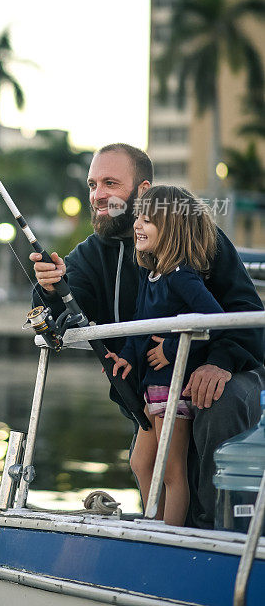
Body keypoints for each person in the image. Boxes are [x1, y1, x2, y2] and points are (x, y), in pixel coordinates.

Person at [30, 143, 265, 528]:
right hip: (153, 392)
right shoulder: (90, 255)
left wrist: (220, 363)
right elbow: (60, 307)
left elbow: (245, 312)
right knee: (144, 461)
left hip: (226, 375)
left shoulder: (198, 234)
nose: (97, 194)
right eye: (92, 184)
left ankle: (215, 539)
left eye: (109, 183)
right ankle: (158, 533)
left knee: (218, 405)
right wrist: (49, 286)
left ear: (142, 191)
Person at [105, 184, 224, 526]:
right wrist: (128, 354)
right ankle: (152, 521)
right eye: (138, 218)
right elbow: (141, 323)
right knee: (141, 463)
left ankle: (168, 536)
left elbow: (214, 319)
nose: (137, 226)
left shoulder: (181, 276)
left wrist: (171, 349)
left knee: (171, 472)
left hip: (173, 389)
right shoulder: (150, 275)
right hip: (152, 390)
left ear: (171, 227)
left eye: (148, 220)